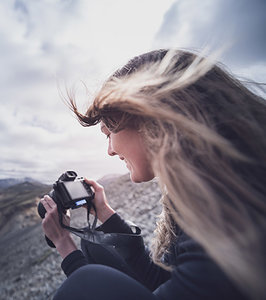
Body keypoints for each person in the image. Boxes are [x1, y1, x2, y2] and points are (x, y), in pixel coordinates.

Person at [40, 49, 266, 300]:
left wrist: (65, 246)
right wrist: (105, 213)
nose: (110, 150)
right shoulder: (223, 187)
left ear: (150, 118)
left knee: (84, 283)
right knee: (93, 254)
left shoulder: (227, 211)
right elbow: (161, 280)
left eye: (108, 133)